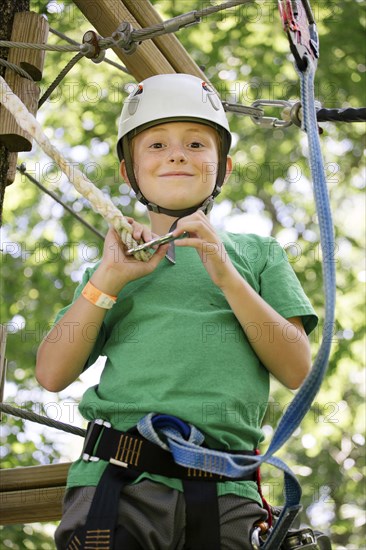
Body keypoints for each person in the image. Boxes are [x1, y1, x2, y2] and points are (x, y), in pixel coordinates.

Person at [36, 73, 318, 550]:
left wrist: (225, 273)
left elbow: (295, 369)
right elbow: (51, 373)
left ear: (223, 167)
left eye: (194, 143)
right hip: (121, 481)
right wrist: (108, 281)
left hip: (227, 489)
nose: (177, 154)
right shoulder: (114, 267)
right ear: (129, 172)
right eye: (157, 145)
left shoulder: (257, 254)